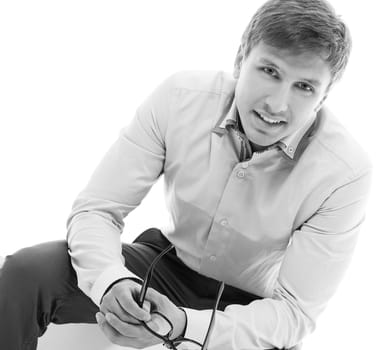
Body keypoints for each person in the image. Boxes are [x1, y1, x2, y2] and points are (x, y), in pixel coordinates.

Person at [0, 0, 372, 349]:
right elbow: (97, 208)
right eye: (270, 71)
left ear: (323, 97)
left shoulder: (344, 172)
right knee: (29, 272)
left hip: (252, 308)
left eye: (304, 87)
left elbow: (295, 313)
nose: (277, 104)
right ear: (241, 59)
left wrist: (185, 326)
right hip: (163, 268)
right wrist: (111, 280)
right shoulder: (180, 98)